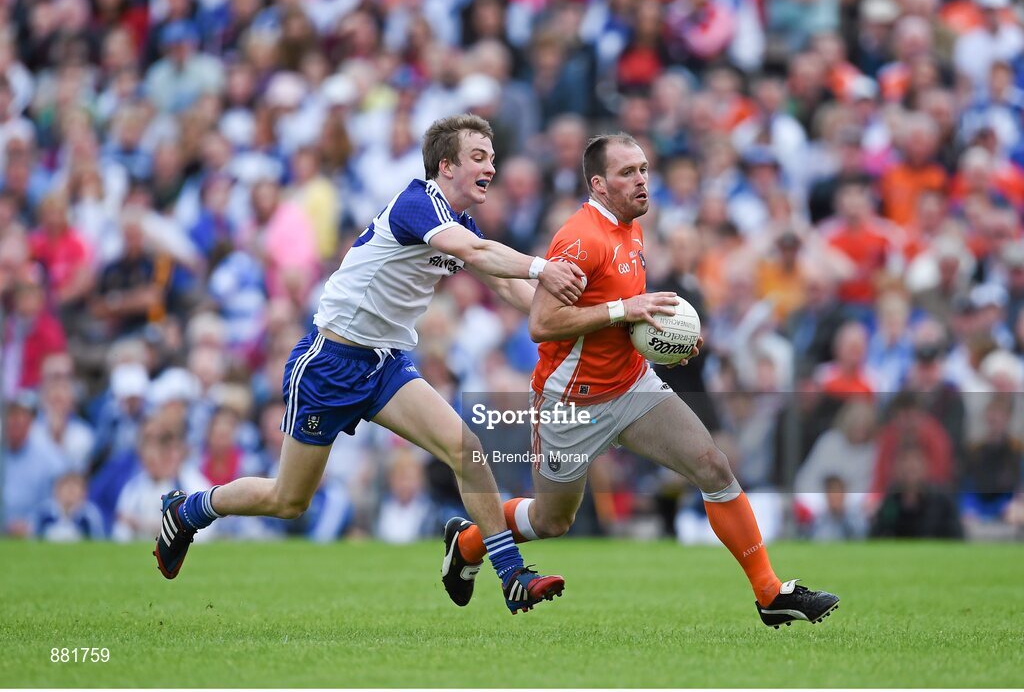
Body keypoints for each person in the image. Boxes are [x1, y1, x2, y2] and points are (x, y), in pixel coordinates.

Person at [154, 114, 585, 615]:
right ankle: (186, 510)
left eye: (491, 156)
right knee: (288, 500)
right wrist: (543, 266)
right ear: (446, 166)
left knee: (465, 446)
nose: (491, 165)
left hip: (383, 365)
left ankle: (510, 574)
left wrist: (580, 319)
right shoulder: (418, 202)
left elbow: (509, 287)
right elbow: (476, 252)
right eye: (478, 157)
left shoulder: (462, 223)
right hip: (329, 363)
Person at [442, 134, 840, 628]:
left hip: (632, 386)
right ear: (599, 184)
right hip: (571, 401)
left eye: (644, 169)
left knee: (713, 466)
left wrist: (662, 339)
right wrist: (624, 309)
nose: (642, 180)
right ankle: (467, 543)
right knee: (552, 520)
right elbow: (542, 323)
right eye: (628, 172)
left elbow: (621, 317)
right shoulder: (579, 237)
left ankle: (769, 592)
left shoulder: (631, 228)